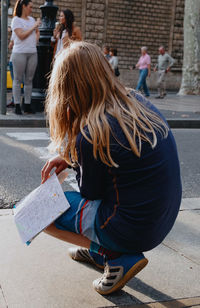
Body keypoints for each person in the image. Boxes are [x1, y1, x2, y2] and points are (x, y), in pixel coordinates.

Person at [41, 41, 182, 295]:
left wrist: (76, 157)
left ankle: (111, 253)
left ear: (67, 90)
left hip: (134, 229)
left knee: (41, 211)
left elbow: (90, 194)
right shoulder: (135, 102)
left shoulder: (91, 134)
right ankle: (104, 247)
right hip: (160, 222)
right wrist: (73, 159)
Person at [11, 0, 40, 115]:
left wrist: (35, 40)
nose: (31, 9)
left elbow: (37, 32)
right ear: (23, 6)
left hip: (32, 52)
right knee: (18, 79)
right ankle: (17, 105)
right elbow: (21, 36)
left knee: (29, 80)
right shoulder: (16, 20)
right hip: (19, 53)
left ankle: (27, 104)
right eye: (30, 7)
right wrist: (34, 27)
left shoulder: (32, 20)